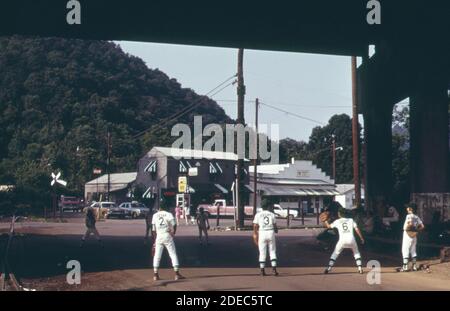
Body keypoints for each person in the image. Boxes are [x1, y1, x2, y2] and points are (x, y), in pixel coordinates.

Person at [323, 208, 365, 274]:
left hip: (342, 240)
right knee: (356, 253)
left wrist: (325, 221)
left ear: (339, 214)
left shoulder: (337, 221)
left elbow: (328, 226)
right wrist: (361, 238)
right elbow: (357, 229)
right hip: (351, 239)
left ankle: (329, 268)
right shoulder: (351, 220)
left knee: (335, 253)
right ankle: (360, 269)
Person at [152, 199, 184, 281]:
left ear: (159, 207)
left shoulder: (155, 215)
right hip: (167, 235)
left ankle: (155, 275)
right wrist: (173, 233)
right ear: (166, 207)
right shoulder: (169, 214)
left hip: (159, 236)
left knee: (157, 256)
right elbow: (174, 225)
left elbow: (153, 230)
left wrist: (154, 242)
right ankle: (176, 274)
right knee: (173, 254)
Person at [253, 199, 279, 276]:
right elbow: (275, 226)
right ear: (268, 206)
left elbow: (255, 225)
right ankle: (274, 270)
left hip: (262, 232)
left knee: (262, 252)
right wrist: (276, 230)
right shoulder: (272, 214)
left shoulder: (258, 215)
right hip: (270, 232)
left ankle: (262, 270)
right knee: (272, 251)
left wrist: (255, 234)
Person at [400, 203, 425, 272]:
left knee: (405, 250)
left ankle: (405, 267)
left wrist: (409, 228)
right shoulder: (417, 217)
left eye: (408, 207)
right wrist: (416, 230)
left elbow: (410, 223)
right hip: (414, 235)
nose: (407, 208)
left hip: (407, 234)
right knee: (413, 251)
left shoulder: (409, 216)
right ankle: (414, 267)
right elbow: (422, 226)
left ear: (411, 209)